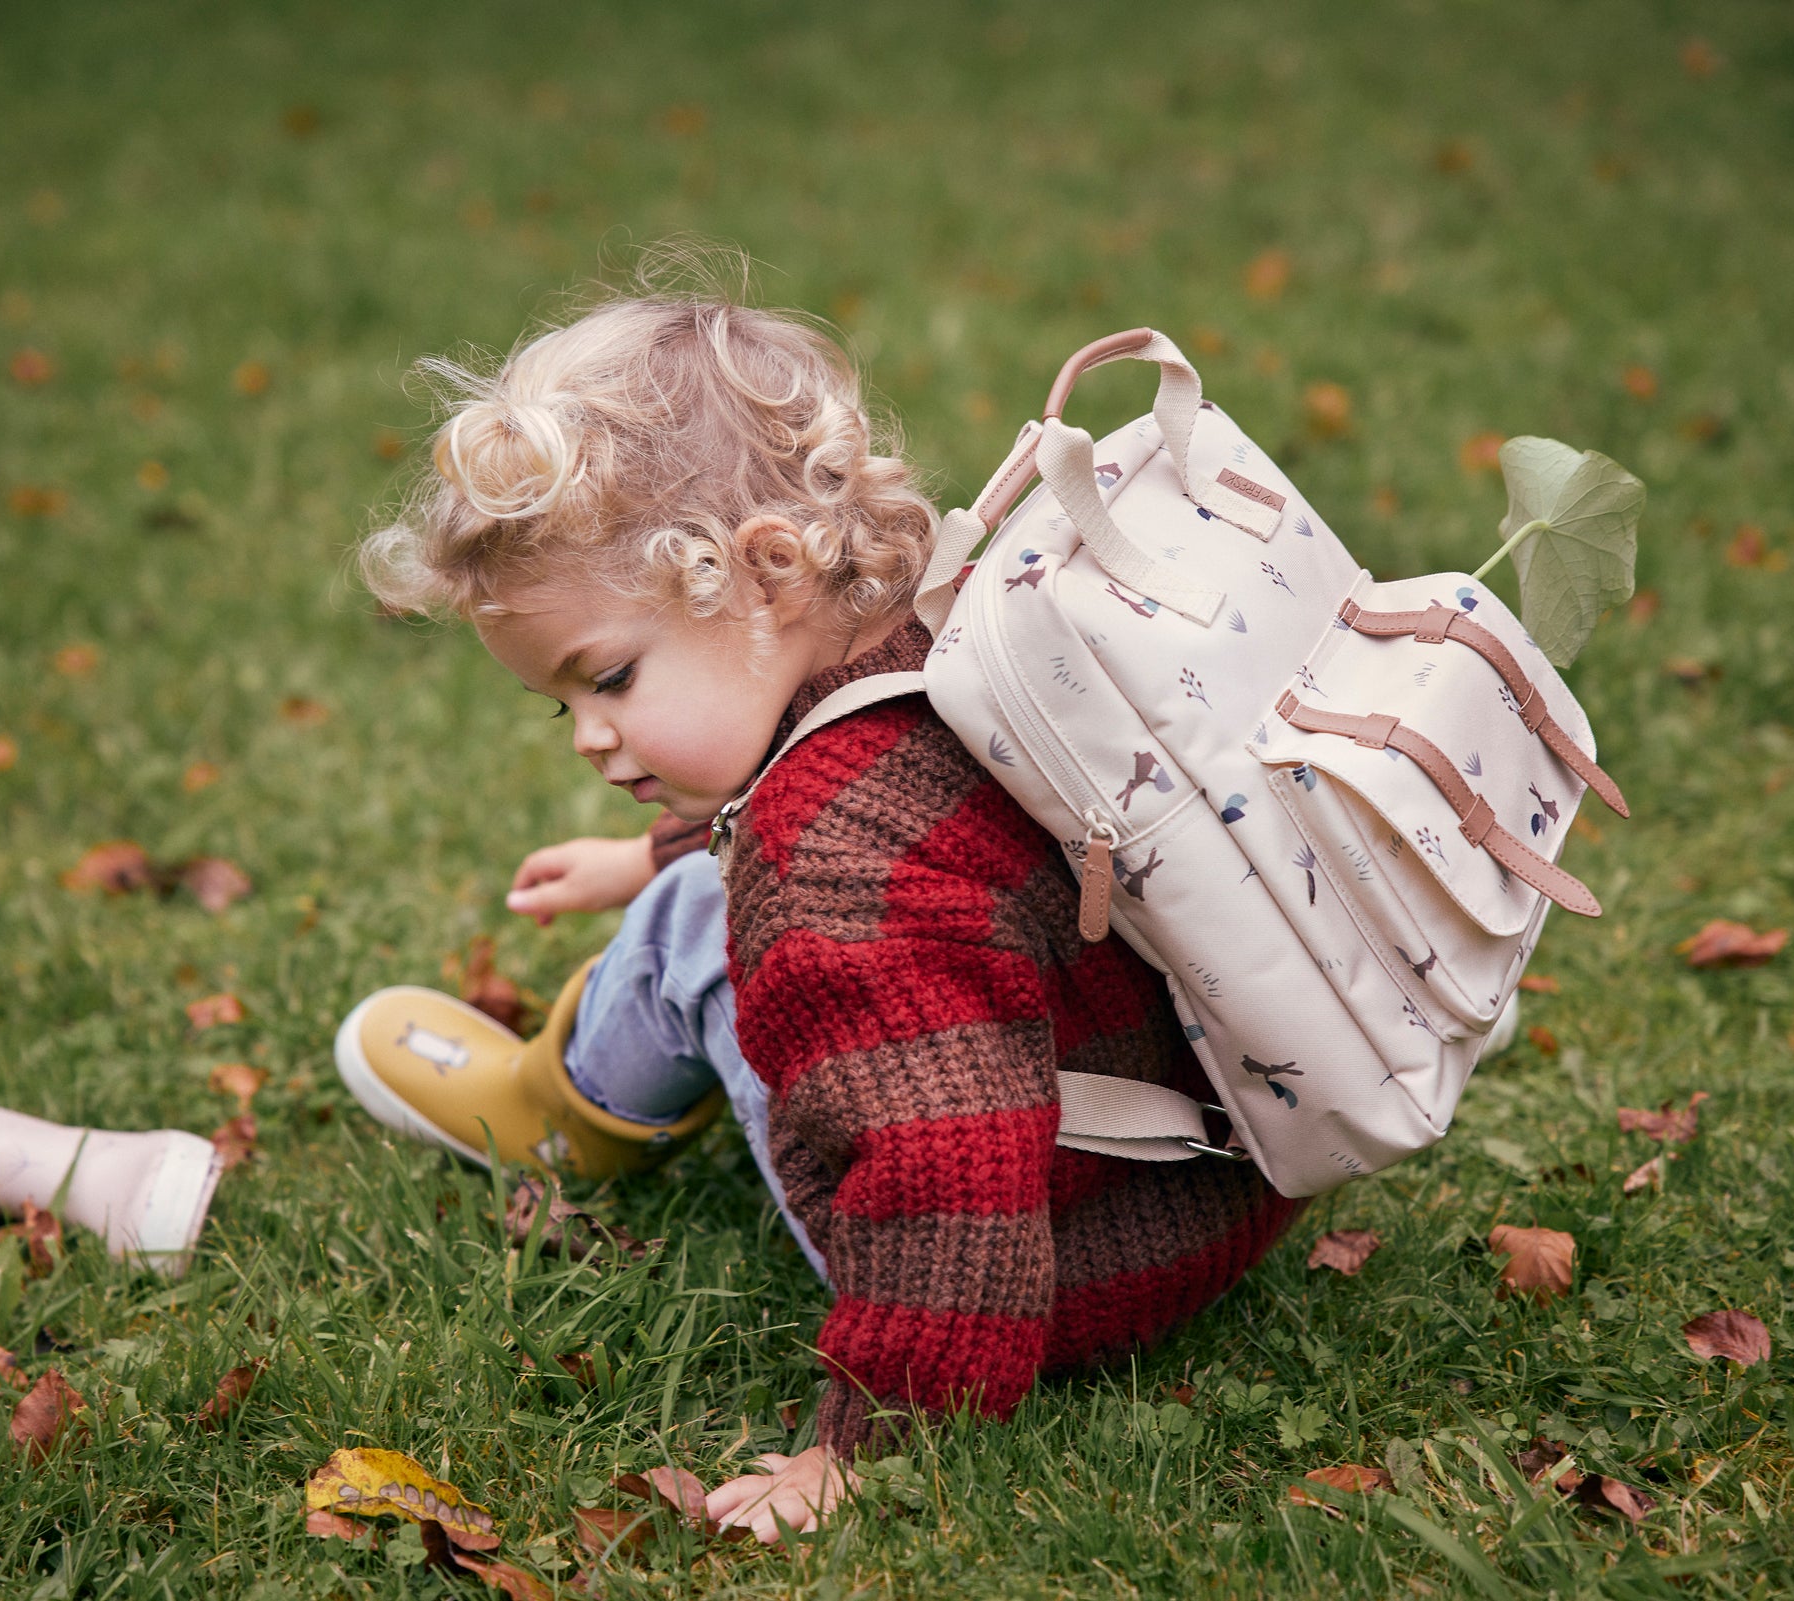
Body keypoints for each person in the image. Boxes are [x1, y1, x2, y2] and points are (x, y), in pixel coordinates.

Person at [336, 274, 1300, 1543]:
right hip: (1213, 1185)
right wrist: (656, 848)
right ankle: (617, 996)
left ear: (768, 571)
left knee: (696, 930)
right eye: (561, 705)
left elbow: (949, 1158)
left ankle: (556, 1110)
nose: (588, 734)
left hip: (1048, 1278)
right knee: (690, 886)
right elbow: (883, 790)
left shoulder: (827, 871)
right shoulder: (955, 634)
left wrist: (870, 1443)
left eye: (608, 676)